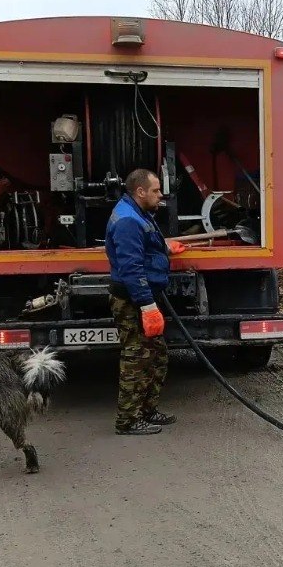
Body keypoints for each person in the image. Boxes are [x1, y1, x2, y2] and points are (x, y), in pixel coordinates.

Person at [105, 168, 185, 436]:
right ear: (140, 192)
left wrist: (164, 247)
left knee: (156, 355)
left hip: (142, 296)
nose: (161, 195)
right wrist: (147, 305)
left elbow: (144, 246)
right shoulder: (128, 220)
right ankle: (127, 421)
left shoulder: (138, 213)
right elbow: (131, 268)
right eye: (155, 190)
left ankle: (147, 410)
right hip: (132, 300)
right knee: (136, 358)